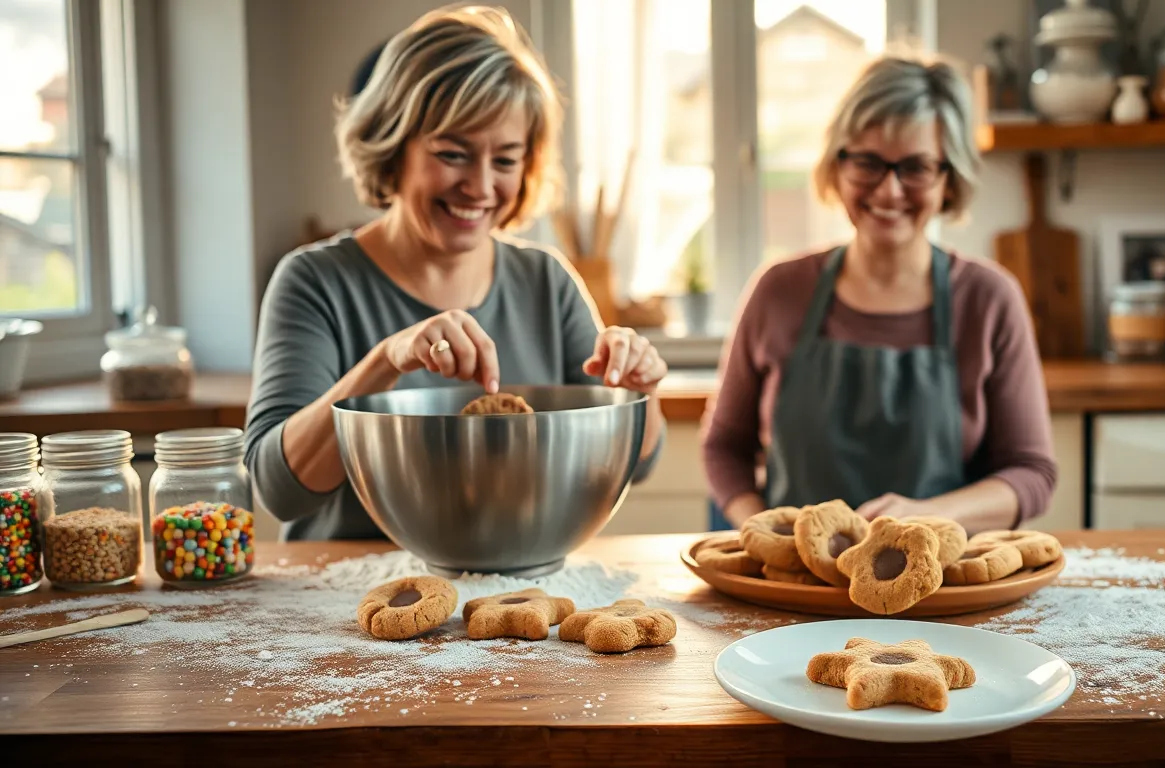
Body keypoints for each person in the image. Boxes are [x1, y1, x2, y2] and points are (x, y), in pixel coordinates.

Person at [244, 5, 668, 541]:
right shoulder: (314, 281)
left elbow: (637, 461)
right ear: (391, 147)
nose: (480, 186)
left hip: (513, 597)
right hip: (352, 609)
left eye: (507, 160)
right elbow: (279, 491)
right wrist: (385, 360)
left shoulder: (547, 281)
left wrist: (637, 392)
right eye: (453, 154)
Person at [700, 55, 1056, 535]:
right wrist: (764, 532)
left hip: (940, 591)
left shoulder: (989, 299)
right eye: (868, 162)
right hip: (792, 589)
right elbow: (724, 445)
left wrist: (932, 516)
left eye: (915, 168)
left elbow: (1031, 473)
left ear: (948, 178)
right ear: (837, 165)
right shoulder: (779, 291)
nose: (889, 192)